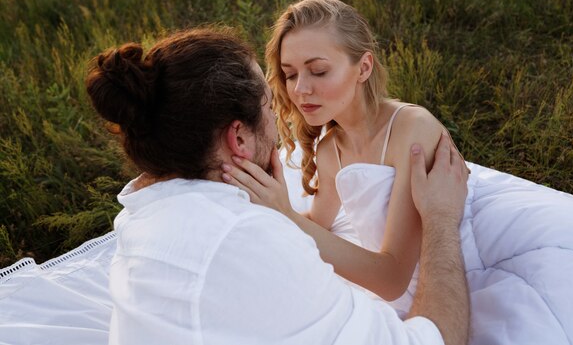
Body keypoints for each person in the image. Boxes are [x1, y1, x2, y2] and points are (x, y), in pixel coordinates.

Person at [221, 0, 573, 345]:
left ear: (363, 68)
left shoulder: (411, 129)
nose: (300, 89)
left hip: (447, 263)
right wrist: (262, 210)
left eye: (319, 71)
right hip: (394, 277)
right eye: (290, 74)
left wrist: (287, 216)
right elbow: (319, 225)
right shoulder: (330, 149)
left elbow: (393, 275)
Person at [85, 27, 470, 345]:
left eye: (317, 71)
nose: (295, 98)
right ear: (238, 139)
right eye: (271, 104)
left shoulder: (141, 214)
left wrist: (283, 215)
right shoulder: (253, 240)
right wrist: (439, 216)